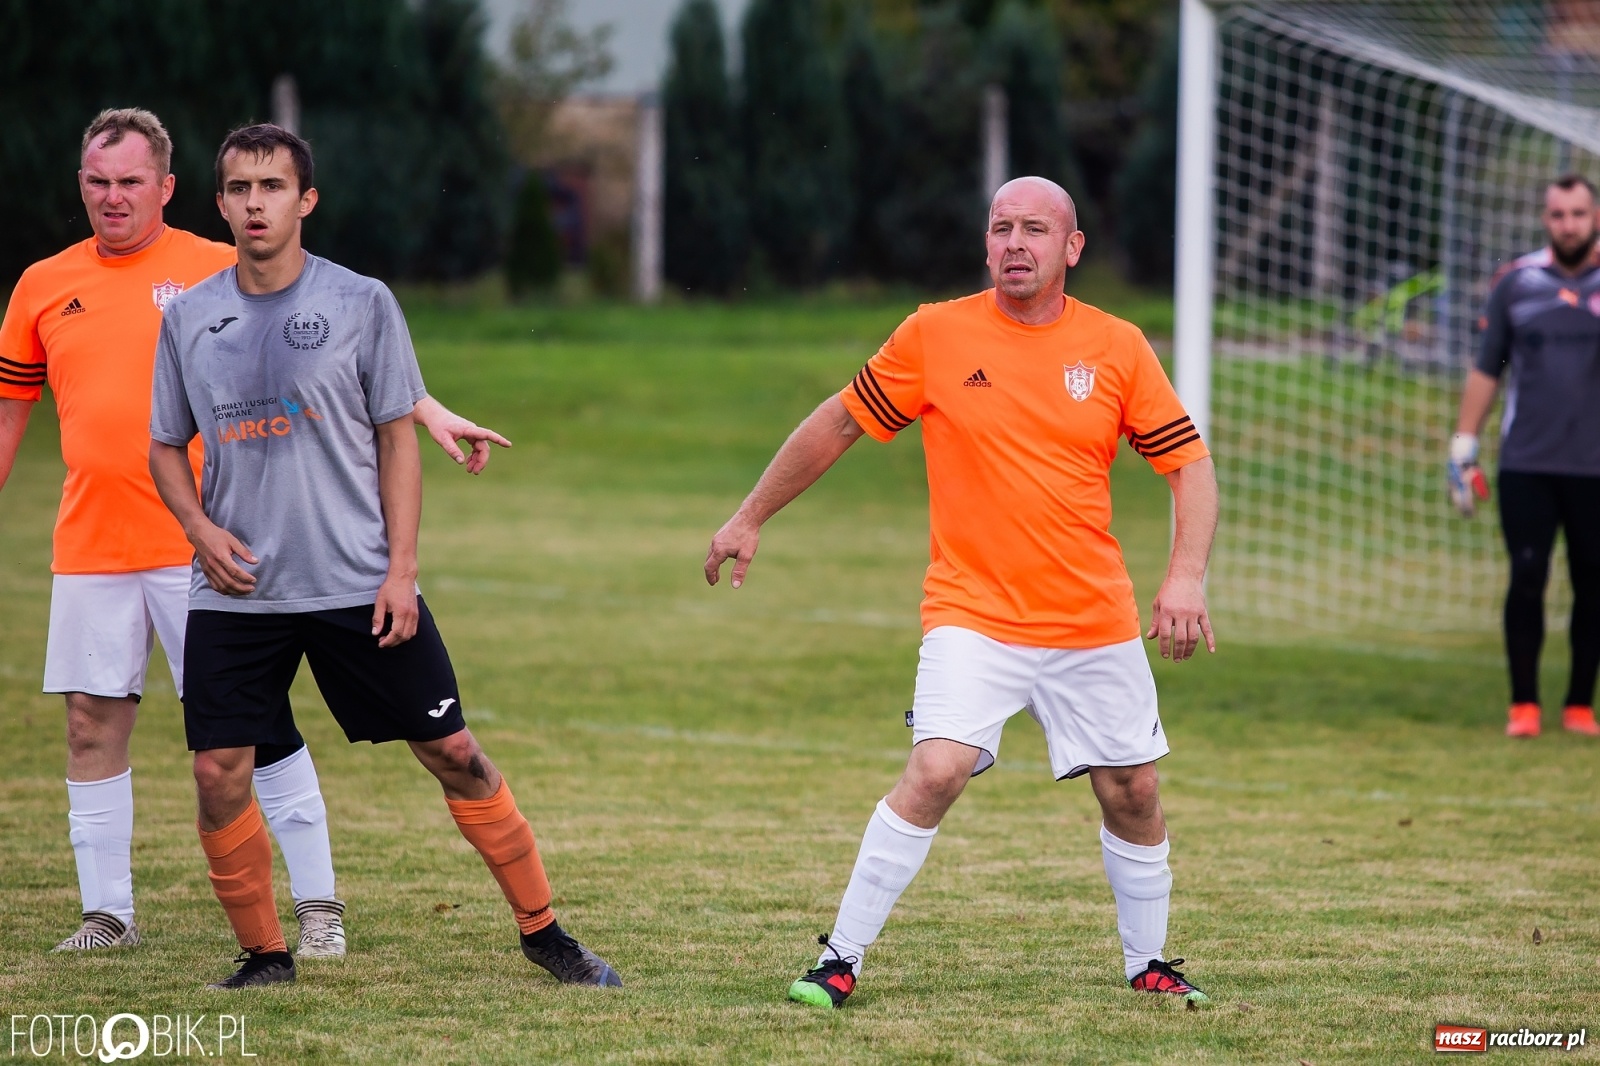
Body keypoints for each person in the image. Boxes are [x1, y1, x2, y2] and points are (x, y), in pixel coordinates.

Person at [0, 108, 509, 957]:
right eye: (97, 181)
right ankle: (107, 914)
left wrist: (428, 408)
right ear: (80, 187)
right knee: (89, 725)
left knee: (255, 734)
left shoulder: (221, 260)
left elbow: (341, 341)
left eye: (131, 181)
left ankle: (319, 906)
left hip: (219, 552)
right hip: (93, 545)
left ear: (168, 189)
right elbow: (9, 417)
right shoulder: (41, 285)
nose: (113, 197)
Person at [705, 176, 1219, 1009]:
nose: (1017, 243)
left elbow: (1189, 466)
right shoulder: (935, 333)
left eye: (1036, 230)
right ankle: (839, 959)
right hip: (972, 612)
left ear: (1071, 248)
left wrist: (1186, 575)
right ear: (985, 245)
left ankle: (1150, 963)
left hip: (1092, 619)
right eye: (1002, 228)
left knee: (1134, 789)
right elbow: (839, 422)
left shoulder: (1118, 347)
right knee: (936, 768)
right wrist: (749, 515)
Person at [148, 122, 619, 990]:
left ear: (307, 201)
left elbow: (398, 440)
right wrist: (198, 530)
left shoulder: (363, 303)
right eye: (241, 189)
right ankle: (264, 956)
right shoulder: (189, 319)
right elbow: (164, 446)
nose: (256, 204)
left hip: (353, 583)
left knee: (453, 752)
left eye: (273, 187)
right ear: (219, 204)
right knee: (219, 772)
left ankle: (545, 931)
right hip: (237, 590)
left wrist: (400, 572)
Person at [1450, 173, 1600, 739]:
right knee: (1528, 575)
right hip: (1527, 465)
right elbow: (1488, 368)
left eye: (1578, 214)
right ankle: (1525, 706)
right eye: (1558, 214)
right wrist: (1463, 447)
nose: (1568, 225)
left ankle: (1581, 706)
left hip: (1595, 467)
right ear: (1546, 219)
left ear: (1595, 218)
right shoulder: (1516, 283)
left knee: (1593, 582)